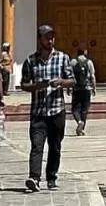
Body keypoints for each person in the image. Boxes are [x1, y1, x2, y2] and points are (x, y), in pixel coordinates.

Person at [20, 25, 74, 192]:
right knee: (37, 145)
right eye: (46, 37)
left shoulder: (63, 58)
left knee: (55, 146)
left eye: (52, 37)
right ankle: (34, 178)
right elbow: (24, 84)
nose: (50, 40)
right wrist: (37, 86)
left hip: (57, 110)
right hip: (38, 112)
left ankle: (51, 177)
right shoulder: (30, 61)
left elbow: (72, 80)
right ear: (40, 39)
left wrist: (61, 82)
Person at [71, 47, 97, 136]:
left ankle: (79, 121)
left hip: (76, 89)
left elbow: (70, 77)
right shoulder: (89, 62)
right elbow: (92, 76)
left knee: (75, 108)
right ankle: (82, 128)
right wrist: (94, 88)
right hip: (86, 89)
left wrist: (68, 88)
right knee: (84, 109)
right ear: (85, 52)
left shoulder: (73, 62)